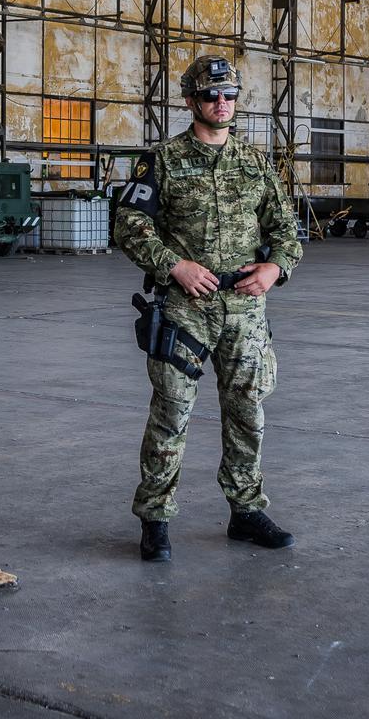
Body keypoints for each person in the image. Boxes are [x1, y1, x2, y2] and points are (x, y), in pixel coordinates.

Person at [113, 54, 304, 562]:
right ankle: (154, 519)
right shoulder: (164, 160)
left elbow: (286, 231)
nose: (222, 103)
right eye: (211, 95)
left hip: (244, 308)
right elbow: (129, 224)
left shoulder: (256, 163)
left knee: (247, 412)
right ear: (190, 100)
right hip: (185, 308)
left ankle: (245, 512)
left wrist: (274, 269)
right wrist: (174, 265)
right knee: (171, 414)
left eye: (230, 95)